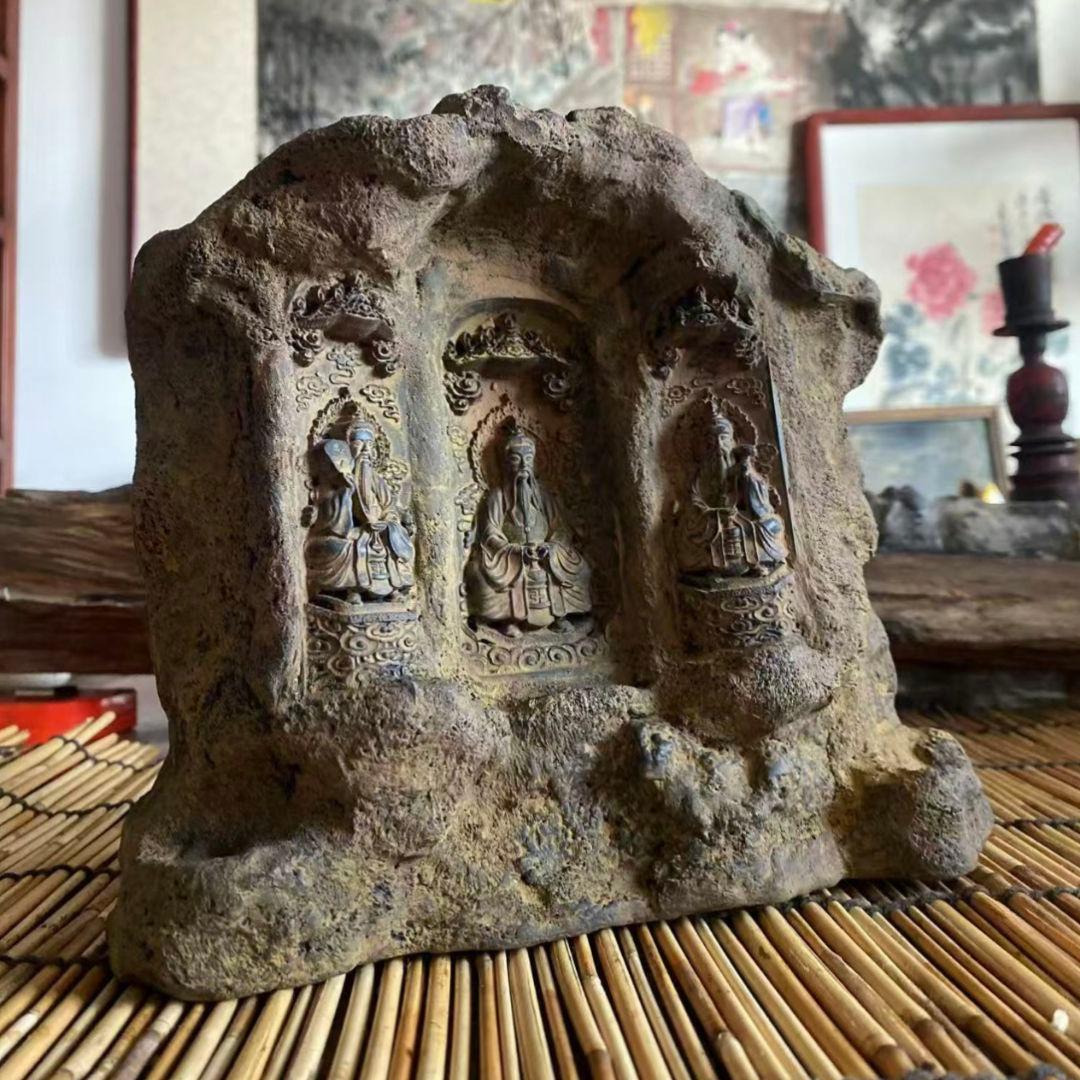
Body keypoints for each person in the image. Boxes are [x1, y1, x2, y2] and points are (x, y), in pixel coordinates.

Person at [466, 425, 591, 636]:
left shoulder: (543, 496)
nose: (524, 465)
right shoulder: (497, 497)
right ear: (505, 464)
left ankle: (560, 615)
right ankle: (509, 620)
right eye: (516, 459)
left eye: (528, 459)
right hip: (511, 555)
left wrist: (551, 547)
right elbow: (489, 532)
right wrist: (515, 551)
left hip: (545, 553)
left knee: (581, 568)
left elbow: (559, 528)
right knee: (479, 574)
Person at [306, 420, 414, 605]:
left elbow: (389, 507)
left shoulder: (377, 481)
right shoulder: (335, 479)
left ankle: (393, 589)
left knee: (396, 543)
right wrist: (344, 491)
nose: (365, 450)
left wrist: (387, 522)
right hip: (351, 534)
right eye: (358, 444)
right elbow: (328, 515)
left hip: (380, 531)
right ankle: (353, 590)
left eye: (369, 444)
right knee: (337, 546)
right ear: (347, 449)